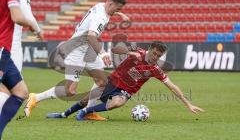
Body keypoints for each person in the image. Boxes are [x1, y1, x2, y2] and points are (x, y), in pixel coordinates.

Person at [24, 0, 129, 120]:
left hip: (88, 50)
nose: (117, 11)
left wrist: (119, 13)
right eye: (117, 9)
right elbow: (91, 36)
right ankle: (36, 97)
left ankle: (88, 112)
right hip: (77, 50)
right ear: (111, 3)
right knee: (70, 91)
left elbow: (108, 11)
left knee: (102, 82)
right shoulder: (100, 17)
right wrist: (103, 53)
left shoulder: (103, 6)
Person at [46, 41, 204, 121]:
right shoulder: (137, 51)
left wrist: (188, 104)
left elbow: (172, 86)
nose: (155, 57)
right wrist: (129, 52)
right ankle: (63, 114)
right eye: (154, 53)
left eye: (158, 56)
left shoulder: (155, 69)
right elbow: (115, 49)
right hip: (112, 81)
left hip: (125, 91)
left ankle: (86, 112)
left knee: (118, 103)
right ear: (150, 49)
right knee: (86, 98)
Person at [0, 0, 41, 139]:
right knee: (6, 91)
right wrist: (35, 28)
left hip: (5, 48)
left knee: (20, 91)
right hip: (4, 47)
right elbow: (18, 16)